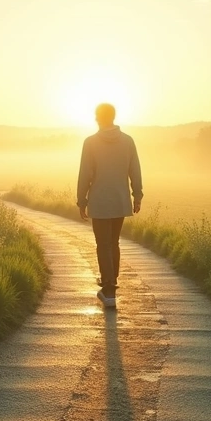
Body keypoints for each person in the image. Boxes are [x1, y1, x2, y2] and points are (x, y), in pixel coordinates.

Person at [76, 103, 143, 310]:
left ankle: (109, 288)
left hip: (99, 200)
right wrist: (137, 195)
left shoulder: (91, 143)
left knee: (103, 245)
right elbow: (135, 170)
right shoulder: (128, 141)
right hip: (120, 199)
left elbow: (85, 174)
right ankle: (110, 281)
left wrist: (81, 200)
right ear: (113, 117)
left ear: (97, 117)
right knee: (113, 243)